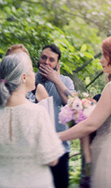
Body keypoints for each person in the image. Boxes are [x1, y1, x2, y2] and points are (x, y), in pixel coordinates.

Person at [59, 35, 111, 188]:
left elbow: (91, 125)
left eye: (105, 56)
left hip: (110, 160)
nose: (101, 60)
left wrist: (57, 137)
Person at [0, 53, 65, 188]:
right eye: (32, 70)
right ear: (24, 77)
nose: (34, 74)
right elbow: (52, 159)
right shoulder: (37, 112)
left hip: (2, 183)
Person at [32, 44, 76, 188]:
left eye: (51, 60)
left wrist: (56, 80)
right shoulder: (30, 79)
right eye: (44, 58)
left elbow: (73, 104)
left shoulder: (66, 81)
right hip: (34, 149)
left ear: (57, 64)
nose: (46, 62)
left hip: (60, 148)